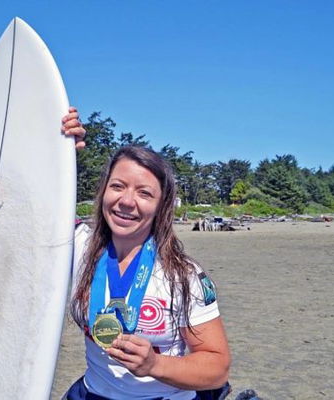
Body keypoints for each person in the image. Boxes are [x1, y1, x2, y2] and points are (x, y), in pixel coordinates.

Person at [61, 108, 232, 400]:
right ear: (103, 192)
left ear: (161, 206)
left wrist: (155, 364)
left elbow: (217, 366)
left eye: (144, 193)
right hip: (92, 393)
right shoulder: (76, 245)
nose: (127, 201)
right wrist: (60, 150)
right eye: (117, 186)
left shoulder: (183, 275)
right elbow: (30, 204)